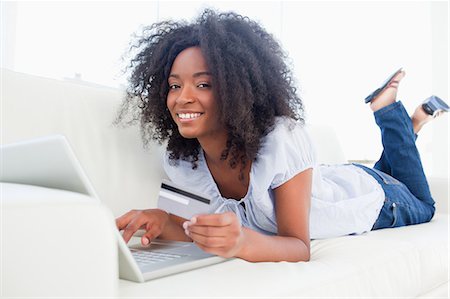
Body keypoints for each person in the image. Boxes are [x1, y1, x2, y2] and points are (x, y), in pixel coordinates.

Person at [115, 9, 448, 263]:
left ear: (238, 89)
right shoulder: (178, 159)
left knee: (424, 204)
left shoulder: (280, 140)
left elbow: (298, 247)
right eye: (174, 85)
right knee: (389, 169)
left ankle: (389, 113)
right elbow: (183, 226)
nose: (182, 97)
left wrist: (241, 242)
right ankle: (414, 121)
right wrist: (160, 220)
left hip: (371, 196)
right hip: (330, 177)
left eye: (203, 84)